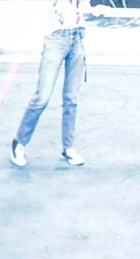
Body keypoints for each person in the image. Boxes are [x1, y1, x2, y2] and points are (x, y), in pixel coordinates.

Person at [10, 0, 100, 168]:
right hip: (56, 39)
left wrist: (94, 10)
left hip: (78, 37)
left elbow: (82, 8)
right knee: (42, 97)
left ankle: (68, 147)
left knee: (71, 99)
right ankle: (19, 142)